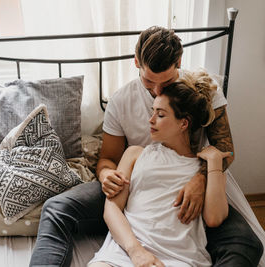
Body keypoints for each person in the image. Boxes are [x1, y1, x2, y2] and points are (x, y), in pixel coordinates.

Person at [29, 26, 263, 267]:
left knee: (247, 244)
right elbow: (108, 159)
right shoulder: (122, 101)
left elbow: (224, 147)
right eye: (149, 81)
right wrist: (107, 174)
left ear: (179, 62)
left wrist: (201, 180)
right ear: (136, 62)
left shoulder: (200, 91)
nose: (157, 91)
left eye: (167, 82)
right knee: (57, 209)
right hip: (134, 180)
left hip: (192, 184)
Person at [88, 71, 231, 267]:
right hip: (124, 253)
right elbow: (111, 209)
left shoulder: (204, 168)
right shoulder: (135, 154)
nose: (151, 119)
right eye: (152, 111)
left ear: (183, 123)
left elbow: (214, 218)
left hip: (178, 258)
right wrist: (136, 252)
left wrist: (214, 162)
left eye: (160, 114)